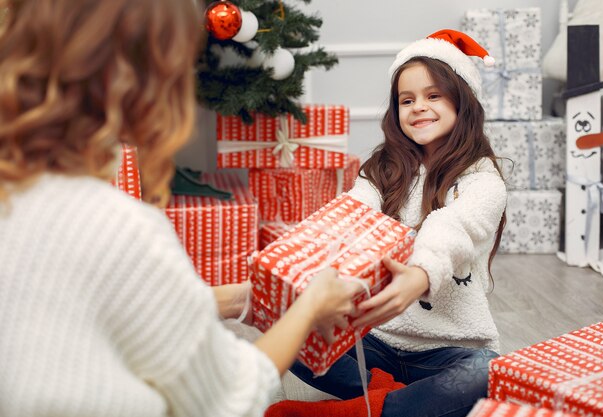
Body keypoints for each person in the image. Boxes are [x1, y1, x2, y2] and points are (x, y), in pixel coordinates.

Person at [0, 1, 361, 416]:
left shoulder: (22, 193)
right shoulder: (122, 226)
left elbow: (96, 304)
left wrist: (242, 298)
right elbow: (228, 395)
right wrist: (310, 306)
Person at [267, 29, 508, 417]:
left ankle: (362, 409)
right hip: (374, 343)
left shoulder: (483, 181)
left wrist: (419, 274)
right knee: (283, 322)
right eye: (406, 100)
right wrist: (297, 264)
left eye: (433, 96)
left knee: (487, 373)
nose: (418, 107)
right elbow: (350, 215)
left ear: (463, 101)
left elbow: (451, 227)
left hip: (449, 350)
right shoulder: (383, 169)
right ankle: (395, 402)